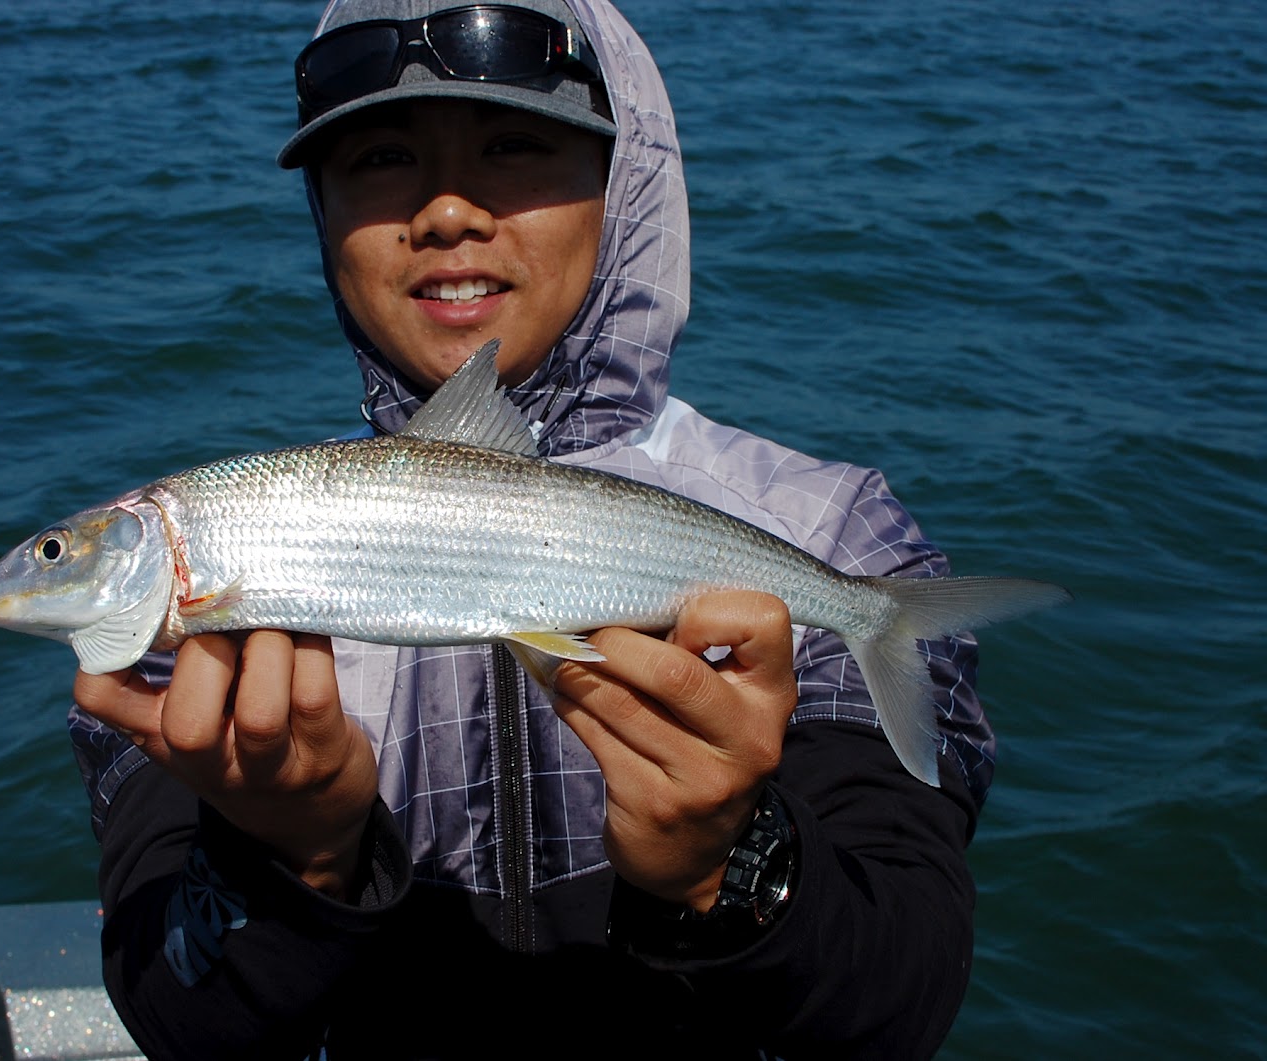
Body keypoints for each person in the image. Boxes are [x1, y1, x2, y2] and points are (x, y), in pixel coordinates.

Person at [69, 1, 989, 1057]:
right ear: (321, 213)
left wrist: (727, 860)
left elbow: (900, 997)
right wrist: (296, 853)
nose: (447, 212)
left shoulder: (834, 531)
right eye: (379, 156)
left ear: (625, 181)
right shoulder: (193, 574)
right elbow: (183, 1018)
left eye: (512, 145)